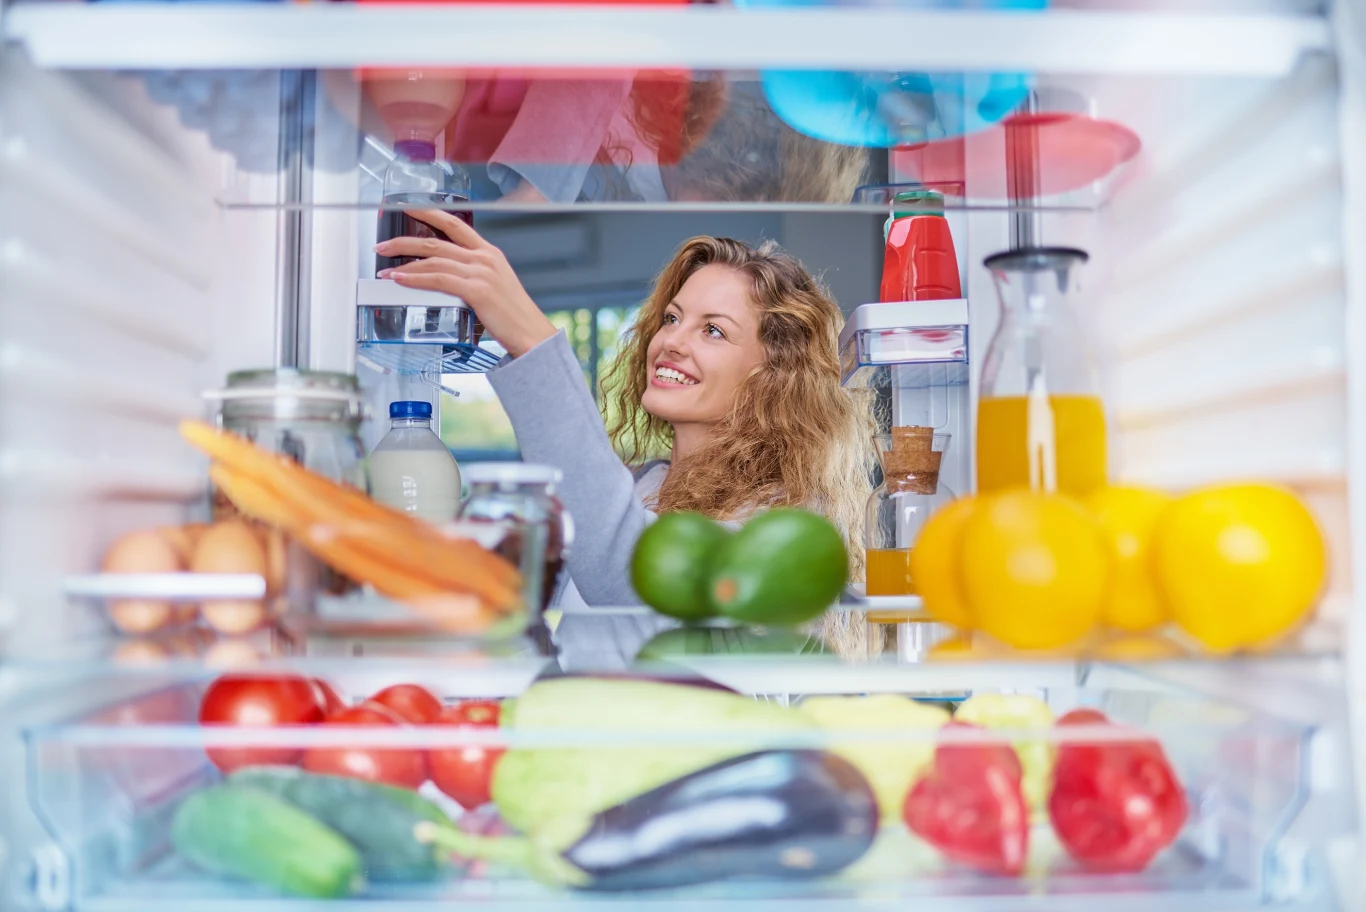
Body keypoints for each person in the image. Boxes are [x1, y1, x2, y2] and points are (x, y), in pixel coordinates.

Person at [375, 216, 873, 664]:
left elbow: (629, 575)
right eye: (673, 318)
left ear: (774, 377)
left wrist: (531, 340)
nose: (672, 341)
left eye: (714, 332)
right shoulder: (642, 487)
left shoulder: (782, 521)